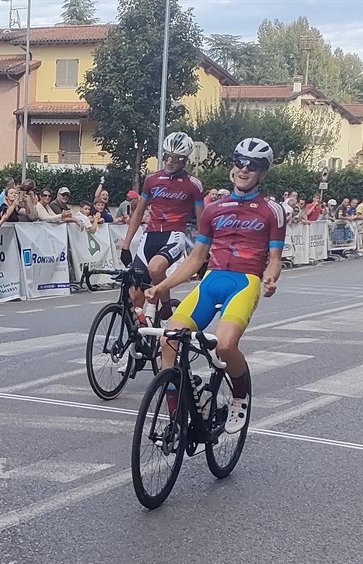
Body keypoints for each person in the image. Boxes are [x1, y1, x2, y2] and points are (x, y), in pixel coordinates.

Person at [146, 138, 284, 434]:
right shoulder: (213, 209)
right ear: (233, 165)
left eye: (253, 166)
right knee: (167, 339)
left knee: (224, 345)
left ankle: (239, 395)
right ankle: (176, 420)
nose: (244, 170)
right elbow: (196, 259)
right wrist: (163, 286)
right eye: (240, 162)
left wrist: (272, 277)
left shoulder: (271, 210)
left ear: (263, 172)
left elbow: (274, 257)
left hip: (245, 282)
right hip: (212, 280)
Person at [121, 131, 204, 324]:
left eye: (176, 159)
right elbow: (139, 213)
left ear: (184, 160)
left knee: (156, 268)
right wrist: (126, 245)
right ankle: (142, 337)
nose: (170, 162)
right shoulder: (152, 179)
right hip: (150, 235)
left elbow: (202, 222)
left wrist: (203, 254)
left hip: (174, 235)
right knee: (135, 295)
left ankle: (163, 305)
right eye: (167, 156)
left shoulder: (193, 185)